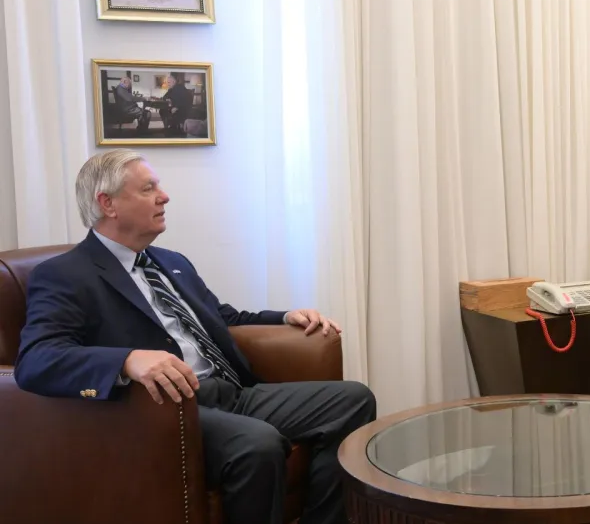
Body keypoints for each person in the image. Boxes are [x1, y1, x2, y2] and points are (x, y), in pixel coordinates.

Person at [15, 149, 375, 524]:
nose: (164, 196)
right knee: (258, 443)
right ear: (108, 203)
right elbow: (37, 360)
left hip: (230, 392)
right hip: (167, 410)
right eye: (148, 188)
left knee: (353, 399)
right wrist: (126, 360)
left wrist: (286, 316)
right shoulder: (65, 274)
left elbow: (223, 318)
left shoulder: (171, 261)